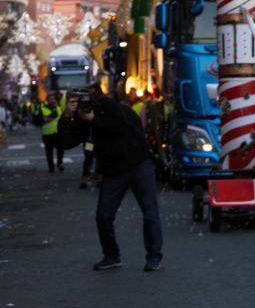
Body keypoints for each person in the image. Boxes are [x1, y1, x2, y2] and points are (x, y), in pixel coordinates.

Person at [76, 87, 163, 271]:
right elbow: (66, 141)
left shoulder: (106, 105)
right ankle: (111, 255)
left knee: (149, 211)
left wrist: (95, 119)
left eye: (85, 100)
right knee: (103, 215)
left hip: (137, 163)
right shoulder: (81, 119)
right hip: (114, 171)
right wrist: (69, 116)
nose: (83, 105)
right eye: (77, 103)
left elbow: (120, 126)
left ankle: (154, 256)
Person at [40, 92, 65, 173]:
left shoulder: (58, 108)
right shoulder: (42, 108)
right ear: (47, 100)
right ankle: (51, 166)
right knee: (49, 151)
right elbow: (36, 120)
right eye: (50, 99)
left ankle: (59, 163)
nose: (52, 100)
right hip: (47, 133)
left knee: (61, 149)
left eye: (53, 99)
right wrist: (45, 120)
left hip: (58, 132)